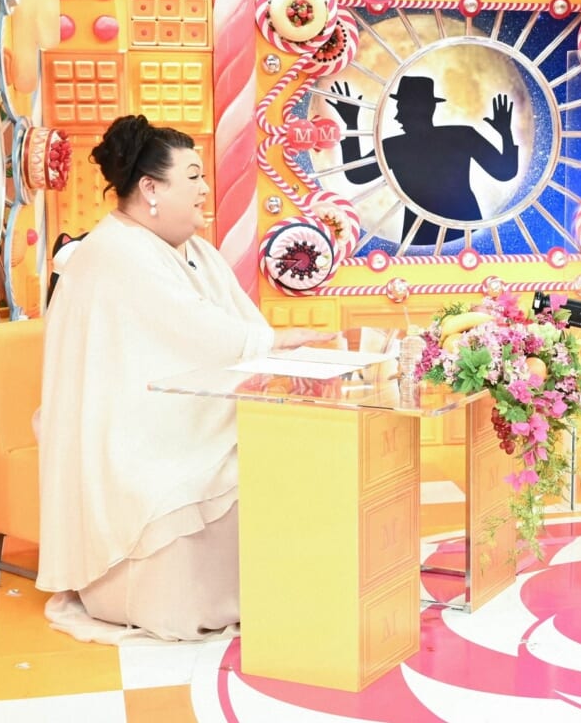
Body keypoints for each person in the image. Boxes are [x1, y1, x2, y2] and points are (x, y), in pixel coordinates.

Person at [36, 115, 335, 641]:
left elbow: (233, 325)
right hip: (128, 429)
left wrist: (273, 345)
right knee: (249, 462)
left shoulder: (195, 249)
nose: (205, 189)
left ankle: (307, 579)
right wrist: (275, 342)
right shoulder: (115, 252)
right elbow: (197, 331)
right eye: (193, 176)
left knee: (293, 442)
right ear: (150, 188)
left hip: (174, 410)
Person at [330, 75, 519, 246]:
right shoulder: (462, 134)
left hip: (426, 234)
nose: (397, 117)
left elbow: (357, 174)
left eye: (401, 109)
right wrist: (505, 133)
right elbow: (505, 171)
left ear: (417, 110)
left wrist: (351, 124)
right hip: (456, 230)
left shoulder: (395, 146)